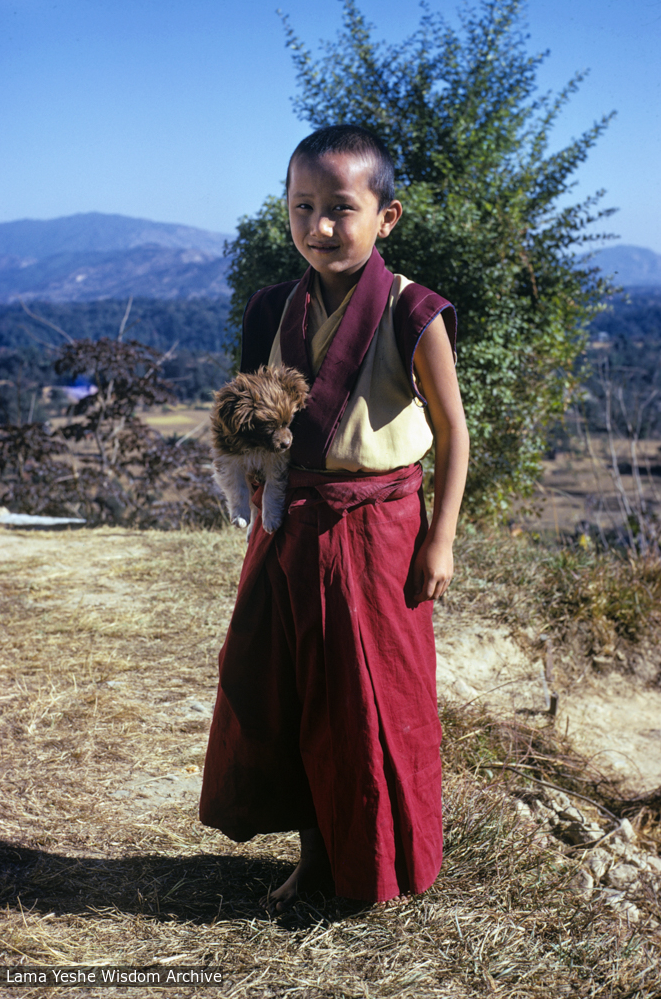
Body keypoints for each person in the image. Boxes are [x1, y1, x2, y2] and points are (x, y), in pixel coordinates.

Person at [200, 124, 469, 911]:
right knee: (281, 691)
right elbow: (253, 418)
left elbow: (453, 431)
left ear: (387, 216)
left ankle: (378, 866)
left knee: (366, 703)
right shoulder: (271, 309)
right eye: (301, 206)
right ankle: (314, 856)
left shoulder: (410, 310)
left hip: (377, 527)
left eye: (339, 209)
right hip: (289, 522)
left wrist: (439, 539)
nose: (318, 226)